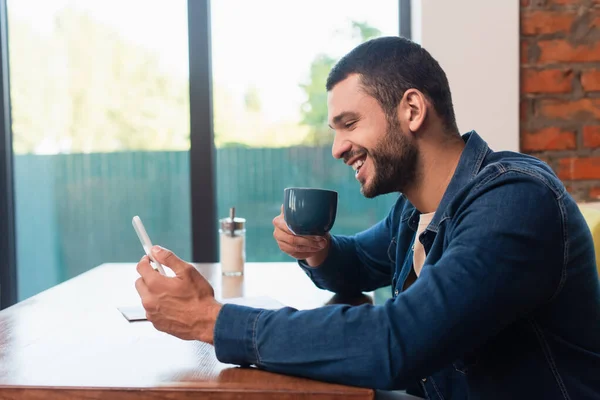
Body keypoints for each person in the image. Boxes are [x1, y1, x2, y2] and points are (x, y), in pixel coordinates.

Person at [134, 36, 600, 399]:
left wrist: (212, 321)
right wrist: (320, 251)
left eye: (350, 124)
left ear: (412, 110)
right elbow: (358, 262)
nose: (338, 148)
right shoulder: (414, 209)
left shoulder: (515, 201)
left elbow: (397, 341)